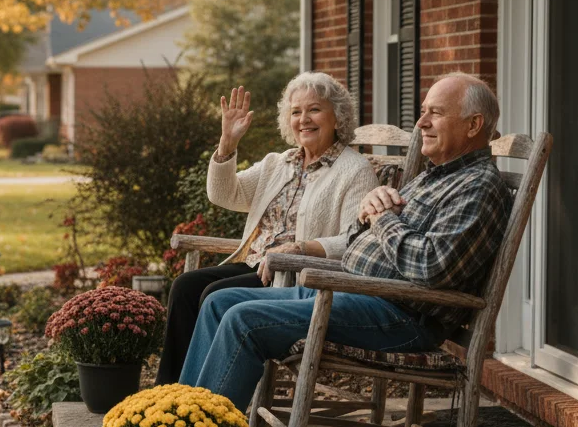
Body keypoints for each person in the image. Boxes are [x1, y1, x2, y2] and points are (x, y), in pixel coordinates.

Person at [177, 73, 511, 409]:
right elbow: (355, 240)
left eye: (435, 113)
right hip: (351, 290)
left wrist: (382, 218)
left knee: (244, 319)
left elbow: (431, 267)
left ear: (473, 125)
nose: (421, 123)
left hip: (398, 313)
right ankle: (174, 419)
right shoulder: (432, 176)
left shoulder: (478, 187)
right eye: (423, 112)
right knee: (218, 303)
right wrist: (369, 211)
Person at [155, 72, 378, 385]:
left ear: (337, 117)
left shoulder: (354, 170)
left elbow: (356, 241)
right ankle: (165, 394)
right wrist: (228, 143)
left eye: (314, 109)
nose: (304, 119)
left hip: (296, 277)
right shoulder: (279, 163)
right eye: (296, 112)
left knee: (213, 295)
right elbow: (224, 194)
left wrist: (302, 248)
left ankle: (200, 397)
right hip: (255, 264)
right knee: (184, 287)